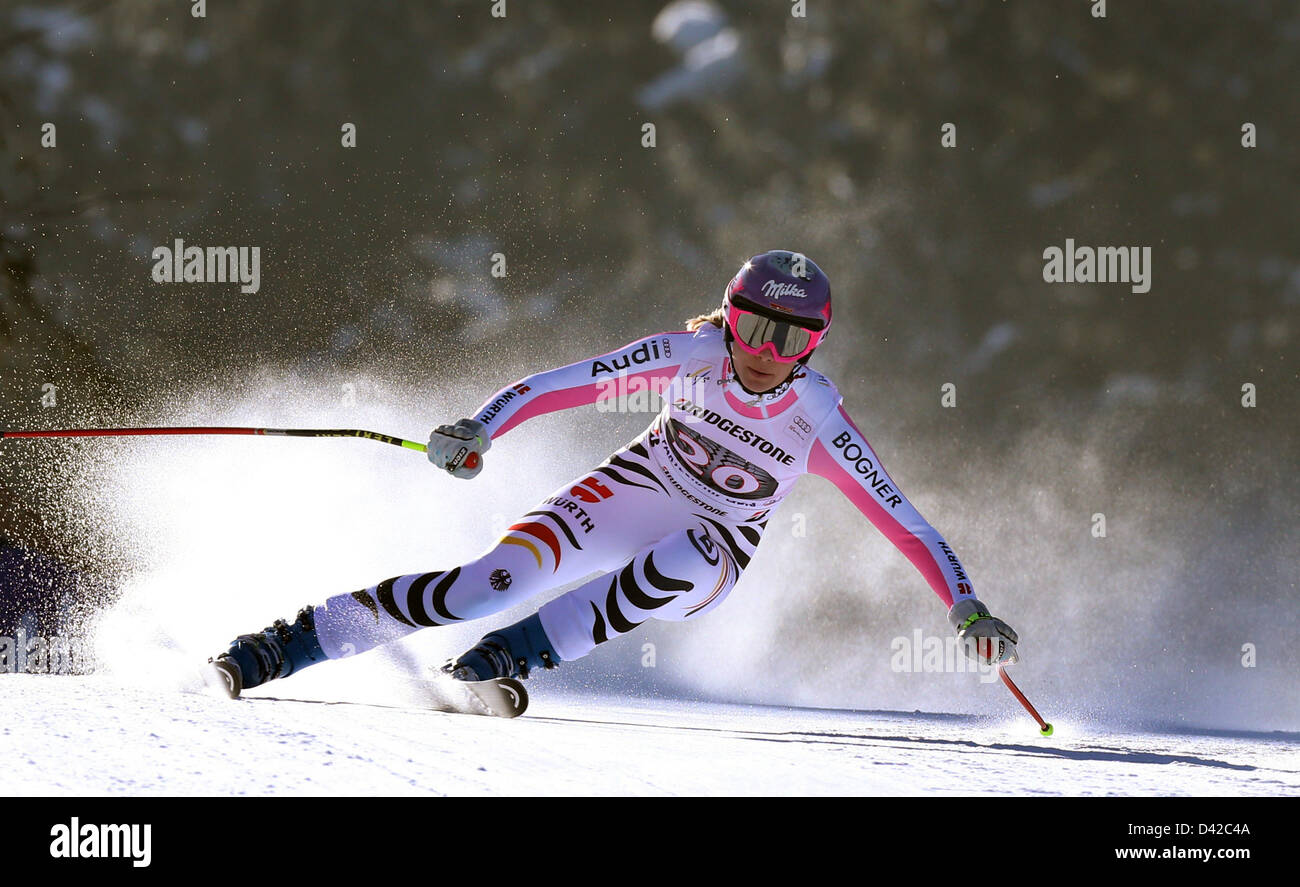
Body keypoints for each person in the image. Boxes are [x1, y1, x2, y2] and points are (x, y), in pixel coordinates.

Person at [207, 250, 1018, 697]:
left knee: (690, 552)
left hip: (714, 547)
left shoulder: (818, 419)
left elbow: (905, 522)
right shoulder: (690, 358)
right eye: (751, 329)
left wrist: (967, 604)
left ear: (816, 346)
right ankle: (293, 642)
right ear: (727, 319)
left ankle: (516, 652)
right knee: (481, 583)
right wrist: (479, 428)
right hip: (630, 489)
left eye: (791, 340)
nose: (765, 356)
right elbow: (561, 384)